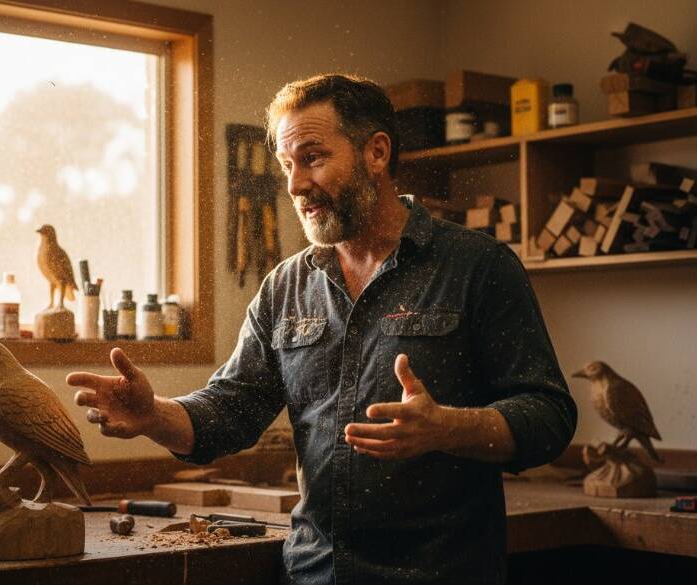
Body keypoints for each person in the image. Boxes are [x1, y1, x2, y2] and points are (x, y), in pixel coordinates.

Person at [69, 74, 577, 585]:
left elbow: (549, 416)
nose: (294, 184)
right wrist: (154, 415)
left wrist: (448, 428)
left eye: (313, 158)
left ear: (376, 153)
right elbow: (233, 407)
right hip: (316, 573)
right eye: (287, 165)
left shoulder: (477, 266)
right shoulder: (285, 286)